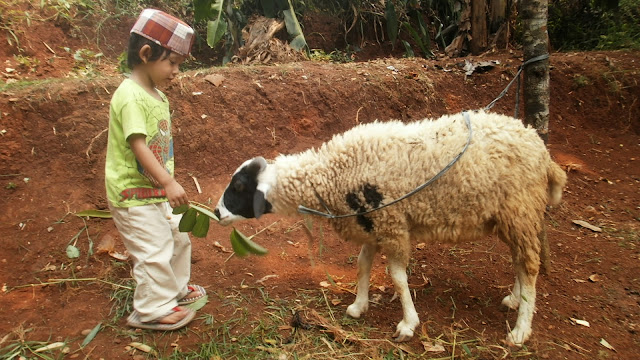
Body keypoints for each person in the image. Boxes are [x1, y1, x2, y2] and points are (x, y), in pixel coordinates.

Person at [105, 8, 206, 331]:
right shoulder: (131, 96)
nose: (176, 71)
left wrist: (164, 185)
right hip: (133, 194)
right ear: (147, 53)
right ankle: (151, 309)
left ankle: (174, 290)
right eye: (172, 63)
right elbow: (139, 145)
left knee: (178, 237)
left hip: (154, 190)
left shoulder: (156, 95)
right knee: (154, 248)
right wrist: (169, 181)